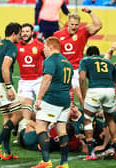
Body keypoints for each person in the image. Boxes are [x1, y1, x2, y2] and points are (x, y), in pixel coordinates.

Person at [79, 45, 116, 160]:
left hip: (95, 90)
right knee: (110, 119)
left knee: (88, 119)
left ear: (88, 54)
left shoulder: (85, 60)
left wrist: (83, 97)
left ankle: (91, 153)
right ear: (98, 54)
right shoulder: (108, 63)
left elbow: (82, 78)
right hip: (110, 91)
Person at [32, 37, 73, 168]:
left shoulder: (50, 60)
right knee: (62, 130)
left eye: (44, 47)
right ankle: (64, 163)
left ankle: (46, 162)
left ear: (50, 47)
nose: (43, 49)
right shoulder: (67, 62)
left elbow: (47, 79)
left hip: (52, 98)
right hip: (65, 99)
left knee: (40, 127)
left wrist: (39, 98)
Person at [53, 7, 102, 107]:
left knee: (81, 96)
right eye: (72, 24)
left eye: (76, 25)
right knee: (64, 97)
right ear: (68, 23)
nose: (74, 27)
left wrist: (90, 12)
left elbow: (98, 25)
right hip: (63, 70)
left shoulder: (82, 32)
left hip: (76, 70)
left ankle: (87, 118)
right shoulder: (57, 35)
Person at [0, 22, 22, 160]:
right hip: (1, 84)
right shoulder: (11, 47)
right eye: (19, 33)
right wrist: (8, 87)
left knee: (7, 117)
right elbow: (5, 68)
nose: (21, 36)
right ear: (14, 33)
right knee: (19, 114)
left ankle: (6, 152)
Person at [16, 23, 44, 124]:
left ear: (32, 32)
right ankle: (23, 130)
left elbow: (49, 59)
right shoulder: (17, 46)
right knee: (22, 109)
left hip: (38, 81)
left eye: (27, 31)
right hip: (24, 82)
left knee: (42, 108)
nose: (24, 34)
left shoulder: (40, 46)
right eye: (23, 32)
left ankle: (42, 129)